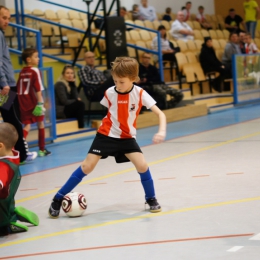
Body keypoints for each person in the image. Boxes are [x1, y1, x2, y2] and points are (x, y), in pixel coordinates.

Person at [48, 57, 166, 218]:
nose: (117, 84)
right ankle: (57, 198)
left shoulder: (140, 93)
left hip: (127, 138)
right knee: (87, 167)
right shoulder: (110, 92)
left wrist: (161, 131)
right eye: (115, 81)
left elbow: (160, 114)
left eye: (121, 82)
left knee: (143, 166)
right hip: (106, 134)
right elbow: (110, 112)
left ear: (133, 78)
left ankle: (151, 198)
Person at [0, 5, 37, 164]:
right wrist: (3, 82)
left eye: (8, 18)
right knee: (13, 118)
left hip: (6, 84)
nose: (7, 21)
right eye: (3, 17)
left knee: (9, 117)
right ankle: (22, 153)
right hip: (6, 86)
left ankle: (14, 151)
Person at [0, 122, 39, 236]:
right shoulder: (13, 157)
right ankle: (11, 214)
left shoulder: (3, 167)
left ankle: (8, 225)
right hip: (6, 203)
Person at [17, 48, 51, 157]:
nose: (38, 58)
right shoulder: (35, 70)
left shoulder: (22, 71)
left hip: (22, 102)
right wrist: (40, 103)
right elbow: (38, 88)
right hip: (33, 102)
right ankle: (42, 149)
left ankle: (17, 149)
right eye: (36, 56)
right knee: (41, 123)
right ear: (28, 59)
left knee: (27, 125)